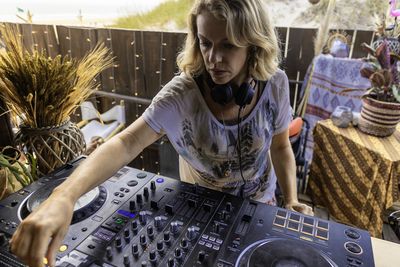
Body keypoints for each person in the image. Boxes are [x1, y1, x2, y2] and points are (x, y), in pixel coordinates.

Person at [10, 0, 313, 266]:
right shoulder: (180, 95)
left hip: (263, 207)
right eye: (206, 43)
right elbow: (128, 141)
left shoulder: (275, 84)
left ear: (253, 45)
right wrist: (64, 196)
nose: (213, 58)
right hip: (201, 215)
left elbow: (281, 145)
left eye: (228, 45)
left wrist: (291, 199)